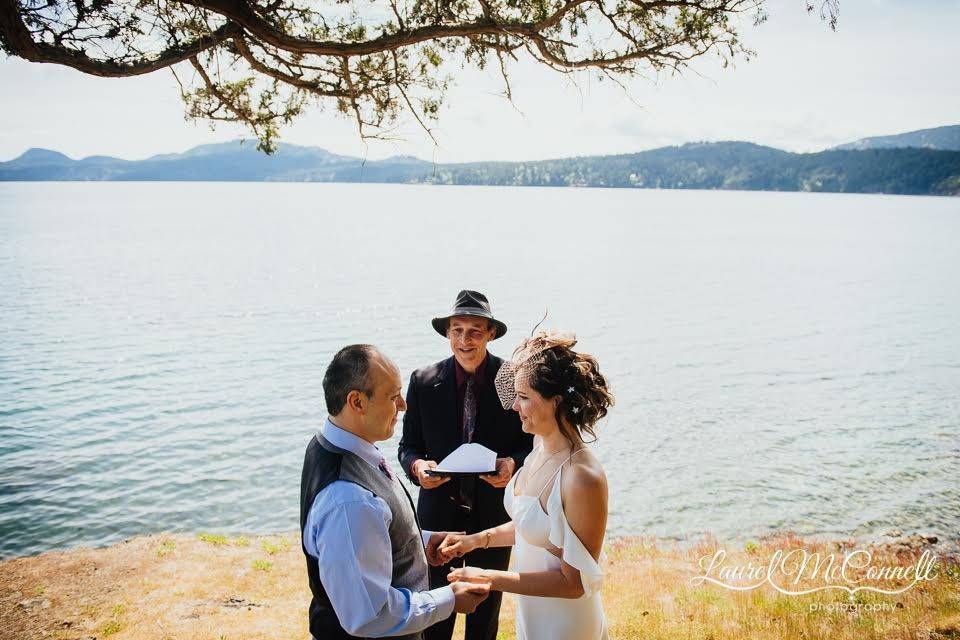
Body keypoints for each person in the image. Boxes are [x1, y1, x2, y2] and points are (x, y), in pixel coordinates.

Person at [300, 344, 490, 640]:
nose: (403, 405)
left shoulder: (335, 444)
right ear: (357, 402)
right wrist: (450, 599)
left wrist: (420, 540)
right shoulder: (348, 500)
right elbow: (369, 616)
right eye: (392, 396)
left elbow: (369, 534)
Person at [437, 330, 614, 640]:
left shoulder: (582, 477)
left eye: (524, 397)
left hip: (566, 624)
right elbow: (537, 528)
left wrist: (490, 578)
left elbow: (573, 583)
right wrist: (476, 541)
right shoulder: (538, 447)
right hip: (533, 612)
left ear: (556, 402)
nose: (514, 407)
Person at [397, 290, 534, 640]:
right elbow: (407, 447)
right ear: (447, 334)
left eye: (475, 330)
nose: (464, 339)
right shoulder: (422, 381)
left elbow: (532, 440)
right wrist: (417, 469)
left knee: (484, 617)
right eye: (456, 330)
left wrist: (513, 464)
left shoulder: (512, 379)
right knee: (434, 617)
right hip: (437, 521)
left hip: (492, 520)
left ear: (490, 333)